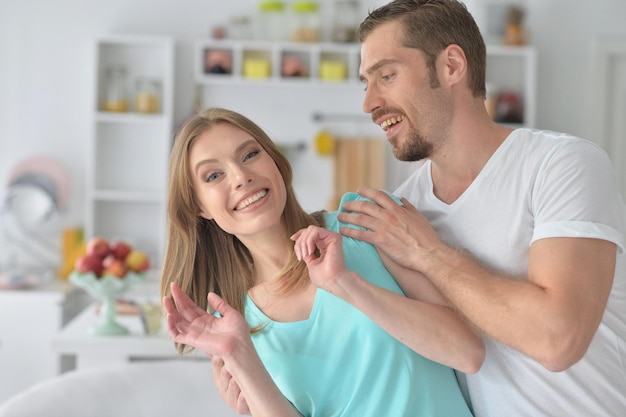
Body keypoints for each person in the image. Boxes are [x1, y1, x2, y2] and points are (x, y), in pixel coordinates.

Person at [328, 0, 625, 415]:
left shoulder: (561, 164)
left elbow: (559, 341)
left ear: (451, 66)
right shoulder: (403, 212)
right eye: (366, 83)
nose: (369, 103)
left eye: (387, 76)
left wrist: (428, 253)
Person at [160, 107, 484, 417]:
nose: (241, 176)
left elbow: (467, 353)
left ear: (276, 162)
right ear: (197, 206)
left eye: (250, 155)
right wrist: (238, 357)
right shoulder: (232, 322)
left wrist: (345, 283)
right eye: (214, 175)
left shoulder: (360, 221)